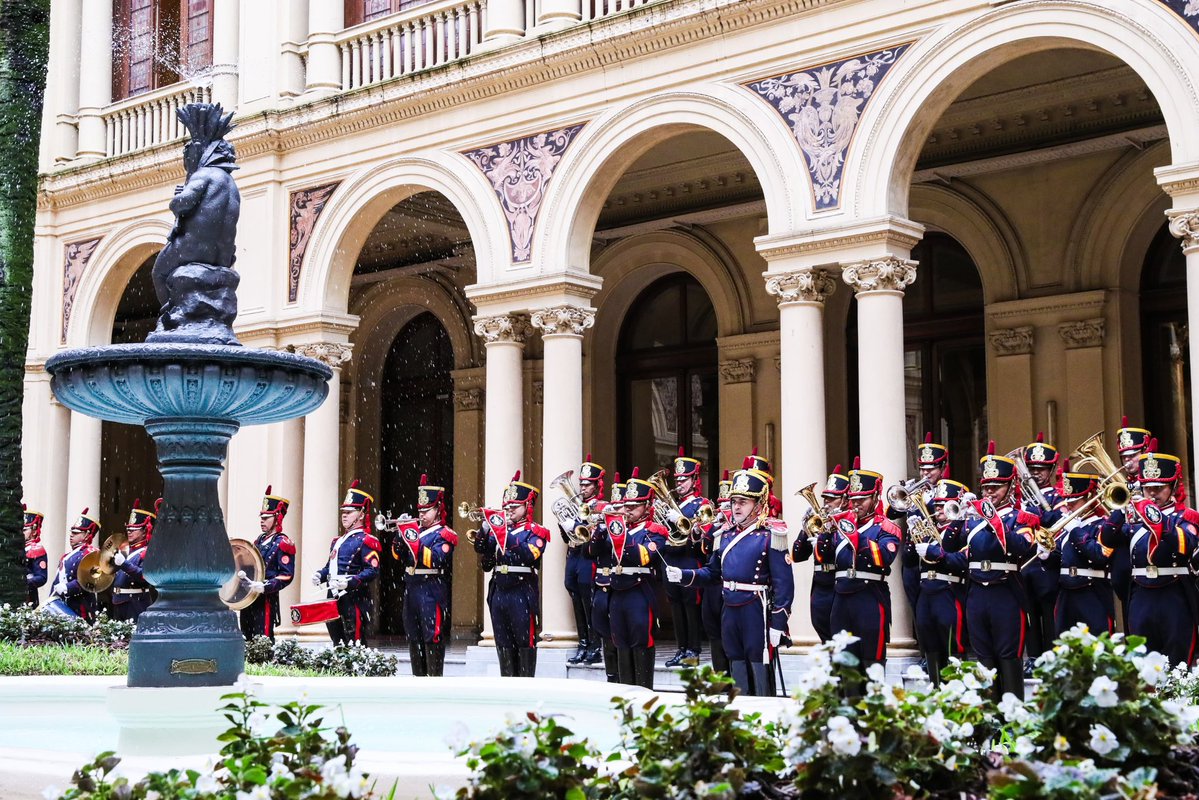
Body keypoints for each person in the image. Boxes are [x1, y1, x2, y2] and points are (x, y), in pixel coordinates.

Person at [922, 442, 1042, 699]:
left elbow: (1022, 547)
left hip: (1006, 591)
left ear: (1010, 487)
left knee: (1008, 657)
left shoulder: (1021, 517)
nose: (989, 492)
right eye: (986, 487)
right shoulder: (972, 520)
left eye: (995, 487)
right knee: (984, 659)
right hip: (977, 593)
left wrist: (993, 520)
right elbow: (954, 552)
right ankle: (990, 726)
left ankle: (1011, 727)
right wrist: (957, 520)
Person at [667, 467, 793, 696]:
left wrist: (779, 623)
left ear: (758, 504)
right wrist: (685, 576)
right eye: (734, 501)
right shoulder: (724, 535)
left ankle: (763, 718)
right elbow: (713, 573)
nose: (736, 507)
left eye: (743, 502)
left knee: (758, 664)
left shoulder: (771, 534)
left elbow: (784, 585)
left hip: (756, 607)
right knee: (735, 662)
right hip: (730, 607)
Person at [826, 458, 900, 673]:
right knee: (843, 659)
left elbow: (885, 557)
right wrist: (824, 534)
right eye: (853, 499)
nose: (856, 504)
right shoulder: (842, 524)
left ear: (875, 497)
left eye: (863, 499)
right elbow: (825, 558)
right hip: (841, 595)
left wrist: (857, 538)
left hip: (869, 594)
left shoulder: (885, 527)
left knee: (871, 658)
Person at [1126, 448, 1198, 664]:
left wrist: (1156, 519)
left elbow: (1187, 543)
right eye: (1147, 489)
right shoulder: (1133, 517)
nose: (1153, 494)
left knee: (1177, 658)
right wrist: (1118, 516)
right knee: (1141, 661)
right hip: (1141, 592)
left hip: (1173, 592)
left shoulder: (1186, 516)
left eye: (1159, 488)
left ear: (1173, 486)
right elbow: (1110, 545)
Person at [474, 470, 550, 677]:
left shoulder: (536, 531)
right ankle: (507, 684)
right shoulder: (501, 532)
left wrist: (505, 535)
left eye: (515, 507)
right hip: (499, 590)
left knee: (524, 641)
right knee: (503, 641)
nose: (509, 511)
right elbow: (484, 556)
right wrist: (484, 530)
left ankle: (524, 686)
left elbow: (529, 554)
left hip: (521, 591)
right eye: (506, 507)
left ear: (527, 507)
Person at [391, 475, 457, 676]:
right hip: (412, 587)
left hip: (432, 587)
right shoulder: (416, 531)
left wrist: (412, 539)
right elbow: (397, 556)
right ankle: (417, 679)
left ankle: (434, 680)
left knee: (432, 634)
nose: (422, 515)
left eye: (426, 510)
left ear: (438, 510)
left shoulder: (444, 534)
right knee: (413, 635)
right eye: (419, 510)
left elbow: (435, 559)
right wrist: (399, 536)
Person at [911, 480, 971, 686]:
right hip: (926, 592)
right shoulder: (927, 530)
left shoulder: (963, 530)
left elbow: (964, 560)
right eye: (936, 506)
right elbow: (909, 559)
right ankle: (937, 691)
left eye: (944, 505)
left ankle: (956, 695)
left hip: (949, 591)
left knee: (953, 644)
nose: (939, 510)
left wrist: (937, 553)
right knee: (930, 644)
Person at [1049, 468, 1119, 637]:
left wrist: (1075, 532)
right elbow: (1060, 560)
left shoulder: (1103, 525)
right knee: (1065, 646)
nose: (1069, 505)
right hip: (1066, 592)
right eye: (1067, 500)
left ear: (1089, 498)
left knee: (1097, 643)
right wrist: (1046, 555)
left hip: (1092, 591)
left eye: (1074, 501)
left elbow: (1100, 555)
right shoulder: (1068, 527)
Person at [313, 480, 381, 645]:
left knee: (355, 640)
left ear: (361, 514)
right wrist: (320, 575)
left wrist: (350, 582)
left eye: (350, 512)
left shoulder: (367, 540)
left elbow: (372, 570)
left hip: (354, 597)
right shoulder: (337, 540)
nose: (344, 515)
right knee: (337, 640)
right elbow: (330, 567)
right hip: (333, 596)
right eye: (343, 511)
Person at [660, 447, 709, 668]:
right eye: (678, 480)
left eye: (684, 480)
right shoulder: (674, 503)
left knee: (690, 606)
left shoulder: (702, 504)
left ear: (694, 479)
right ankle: (681, 648)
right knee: (676, 605)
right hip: (671, 556)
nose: (679, 484)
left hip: (689, 558)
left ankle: (693, 651)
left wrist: (678, 517)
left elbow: (702, 532)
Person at [791, 465, 848, 643]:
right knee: (821, 627)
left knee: (839, 635)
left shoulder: (847, 523)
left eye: (832, 499)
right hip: (820, 584)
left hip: (838, 582)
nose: (826, 503)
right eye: (825, 498)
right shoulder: (820, 522)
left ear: (845, 500)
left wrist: (827, 537)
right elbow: (798, 556)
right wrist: (805, 529)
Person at [1020, 432, 1062, 668]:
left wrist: (1043, 515)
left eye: (1042, 468)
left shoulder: (1059, 497)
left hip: (1048, 567)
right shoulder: (1021, 498)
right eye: (1032, 468)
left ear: (1052, 468)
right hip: (1027, 565)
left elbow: (1058, 522)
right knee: (1029, 618)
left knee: (1050, 616)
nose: (1036, 473)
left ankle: (1052, 662)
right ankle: (1034, 659)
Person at [240, 486, 296, 641]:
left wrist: (265, 586)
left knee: (262, 639)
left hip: (266, 600)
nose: (262, 521)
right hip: (249, 598)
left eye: (266, 517)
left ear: (277, 517)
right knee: (246, 636)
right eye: (261, 517)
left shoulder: (283, 543)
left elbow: (287, 575)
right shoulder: (258, 540)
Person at [564, 455, 605, 666]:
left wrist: (581, 522)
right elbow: (567, 538)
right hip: (573, 555)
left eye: (587, 484)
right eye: (581, 484)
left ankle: (595, 645)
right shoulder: (576, 504)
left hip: (588, 556)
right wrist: (565, 526)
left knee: (589, 600)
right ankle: (582, 643)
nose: (583, 487)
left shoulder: (601, 506)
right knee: (575, 596)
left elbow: (596, 534)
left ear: (597, 485)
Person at [589, 471, 626, 682]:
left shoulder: (627, 531)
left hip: (618, 586)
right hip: (602, 586)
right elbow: (593, 551)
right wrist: (601, 527)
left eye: (619, 508)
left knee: (619, 636)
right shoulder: (604, 529)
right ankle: (611, 675)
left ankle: (622, 676)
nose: (616, 512)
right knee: (604, 634)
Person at [699, 470, 732, 671]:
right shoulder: (715, 528)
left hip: (728, 586)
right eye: (721, 505)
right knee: (713, 634)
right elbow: (704, 548)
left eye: (728, 505)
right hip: (712, 587)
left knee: (729, 636)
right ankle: (720, 679)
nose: (723, 510)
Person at [111, 498, 160, 622]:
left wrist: (124, 564)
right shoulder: (125, 549)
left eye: (134, 529)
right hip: (118, 601)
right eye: (128, 529)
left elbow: (145, 577)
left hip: (135, 601)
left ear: (144, 531)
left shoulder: (148, 551)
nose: (130, 532)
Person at [48, 508, 102, 620]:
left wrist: (68, 587)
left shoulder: (91, 553)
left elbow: (90, 580)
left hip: (81, 605)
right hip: (63, 604)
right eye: (72, 532)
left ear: (87, 534)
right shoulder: (66, 556)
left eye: (76, 533)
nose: (71, 535)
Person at [23, 504, 47, 606]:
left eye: (24, 530)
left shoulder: (37, 549)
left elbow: (41, 577)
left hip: (27, 595)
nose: (21, 532)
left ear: (33, 531)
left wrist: (24, 582)